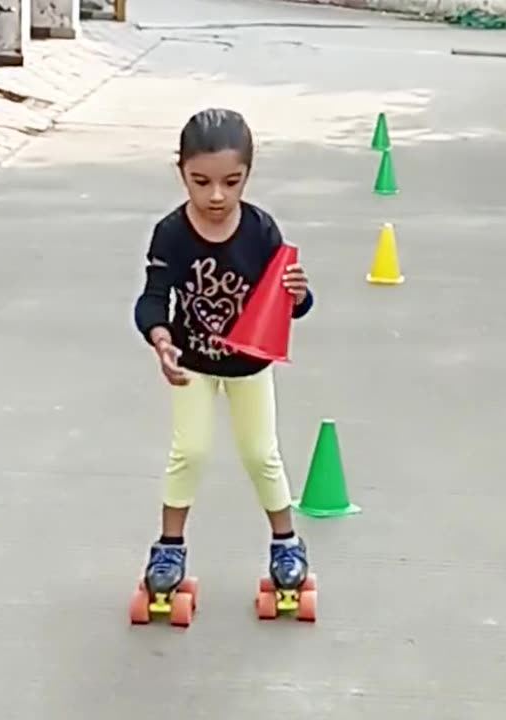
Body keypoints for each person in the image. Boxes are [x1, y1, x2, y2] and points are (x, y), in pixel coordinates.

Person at [133, 108, 315, 598]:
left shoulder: (261, 231)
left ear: (247, 176)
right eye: (201, 181)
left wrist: (298, 294)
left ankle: (286, 543)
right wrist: (161, 338)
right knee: (188, 451)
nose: (216, 195)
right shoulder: (170, 233)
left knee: (261, 454)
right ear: (182, 174)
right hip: (191, 362)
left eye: (232, 182)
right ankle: (169, 547)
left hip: (249, 366)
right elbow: (153, 297)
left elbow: (289, 308)